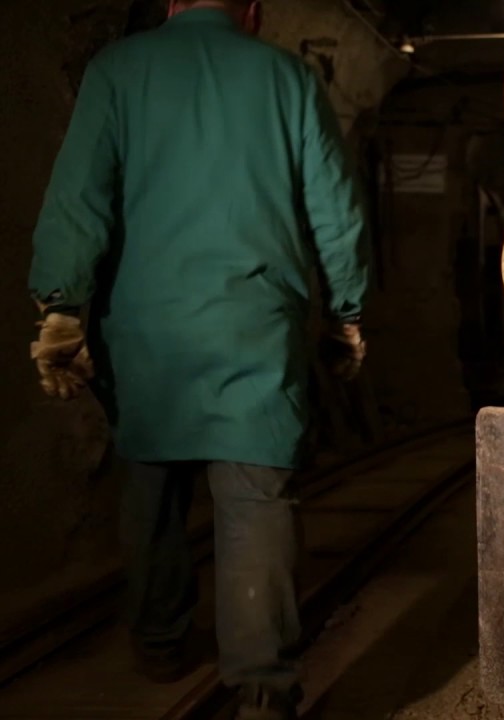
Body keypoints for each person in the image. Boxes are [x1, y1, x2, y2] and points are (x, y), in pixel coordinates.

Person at [26, 0, 369, 717]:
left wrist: (62, 305)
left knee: (152, 493)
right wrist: (347, 310)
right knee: (256, 502)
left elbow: (78, 196)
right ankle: (264, 687)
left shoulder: (116, 71)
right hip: (254, 329)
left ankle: (158, 647)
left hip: (146, 330)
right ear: (252, 10)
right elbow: (334, 206)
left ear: (172, 3)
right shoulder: (288, 77)